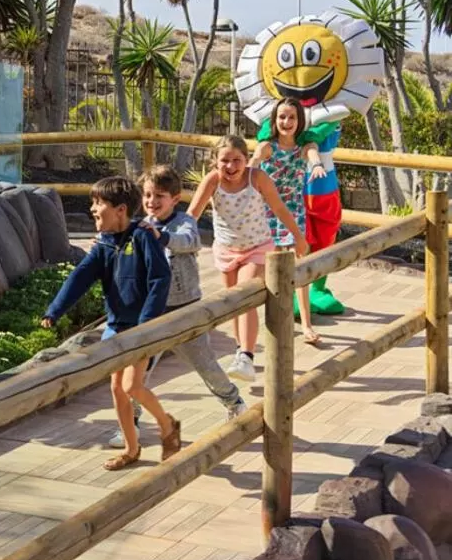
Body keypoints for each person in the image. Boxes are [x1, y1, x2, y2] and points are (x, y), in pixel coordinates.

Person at [41, 176, 181, 470]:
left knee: (132, 385)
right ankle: (132, 449)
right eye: (92, 202)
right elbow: (80, 277)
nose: (93, 209)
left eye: (98, 203)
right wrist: (55, 310)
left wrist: (147, 324)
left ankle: (167, 425)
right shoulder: (104, 245)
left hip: (142, 329)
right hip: (116, 326)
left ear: (120, 209)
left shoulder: (143, 236)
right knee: (117, 388)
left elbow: (160, 279)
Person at [102, 166, 246, 449]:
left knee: (204, 362)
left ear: (175, 199)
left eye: (159, 196)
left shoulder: (185, 223)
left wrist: (161, 236)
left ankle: (233, 402)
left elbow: (188, 243)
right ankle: (130, 423)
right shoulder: (140, 226)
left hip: (185, 311)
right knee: (136, 373)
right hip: (151, 313)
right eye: (147, 195)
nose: (152, 201)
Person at [187, 135, 310, 382]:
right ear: (215, 162)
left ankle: (247, 355)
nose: (231, 167)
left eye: (237, 160)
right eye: (225, 161)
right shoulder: (213, 181)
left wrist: (298, 237)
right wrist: (173, 240)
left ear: (246, 160)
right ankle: (239, 351)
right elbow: (192, 214)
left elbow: (279, 208)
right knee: (234, 303)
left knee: (245, 295)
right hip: (226, 249)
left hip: (257, 247)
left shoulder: (258, 178)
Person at [251, 98, 327, 345]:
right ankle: (268, 322)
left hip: (293, 212)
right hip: (266, 212)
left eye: (292, 117)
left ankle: (306, 324)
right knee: (266, 268)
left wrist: (316, 165)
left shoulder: (304, 147)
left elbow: (313, 154)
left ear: (299, 121)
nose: (286, 122)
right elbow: (253, 162)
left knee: (298, 266)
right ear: (274, 120)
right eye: (282, 117)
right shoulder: (267, 147)